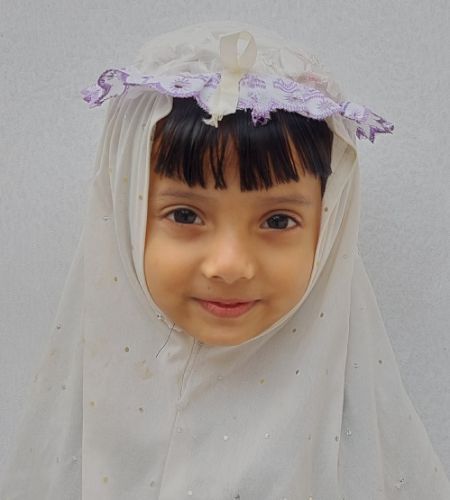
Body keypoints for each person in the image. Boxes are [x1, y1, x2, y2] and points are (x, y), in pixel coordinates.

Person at [1, 20, 449, 500]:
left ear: (329, 225)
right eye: (185, 214)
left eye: (278, 221)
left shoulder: (358, 438)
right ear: (127, 212)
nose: (230, 265)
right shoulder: (85, 415)